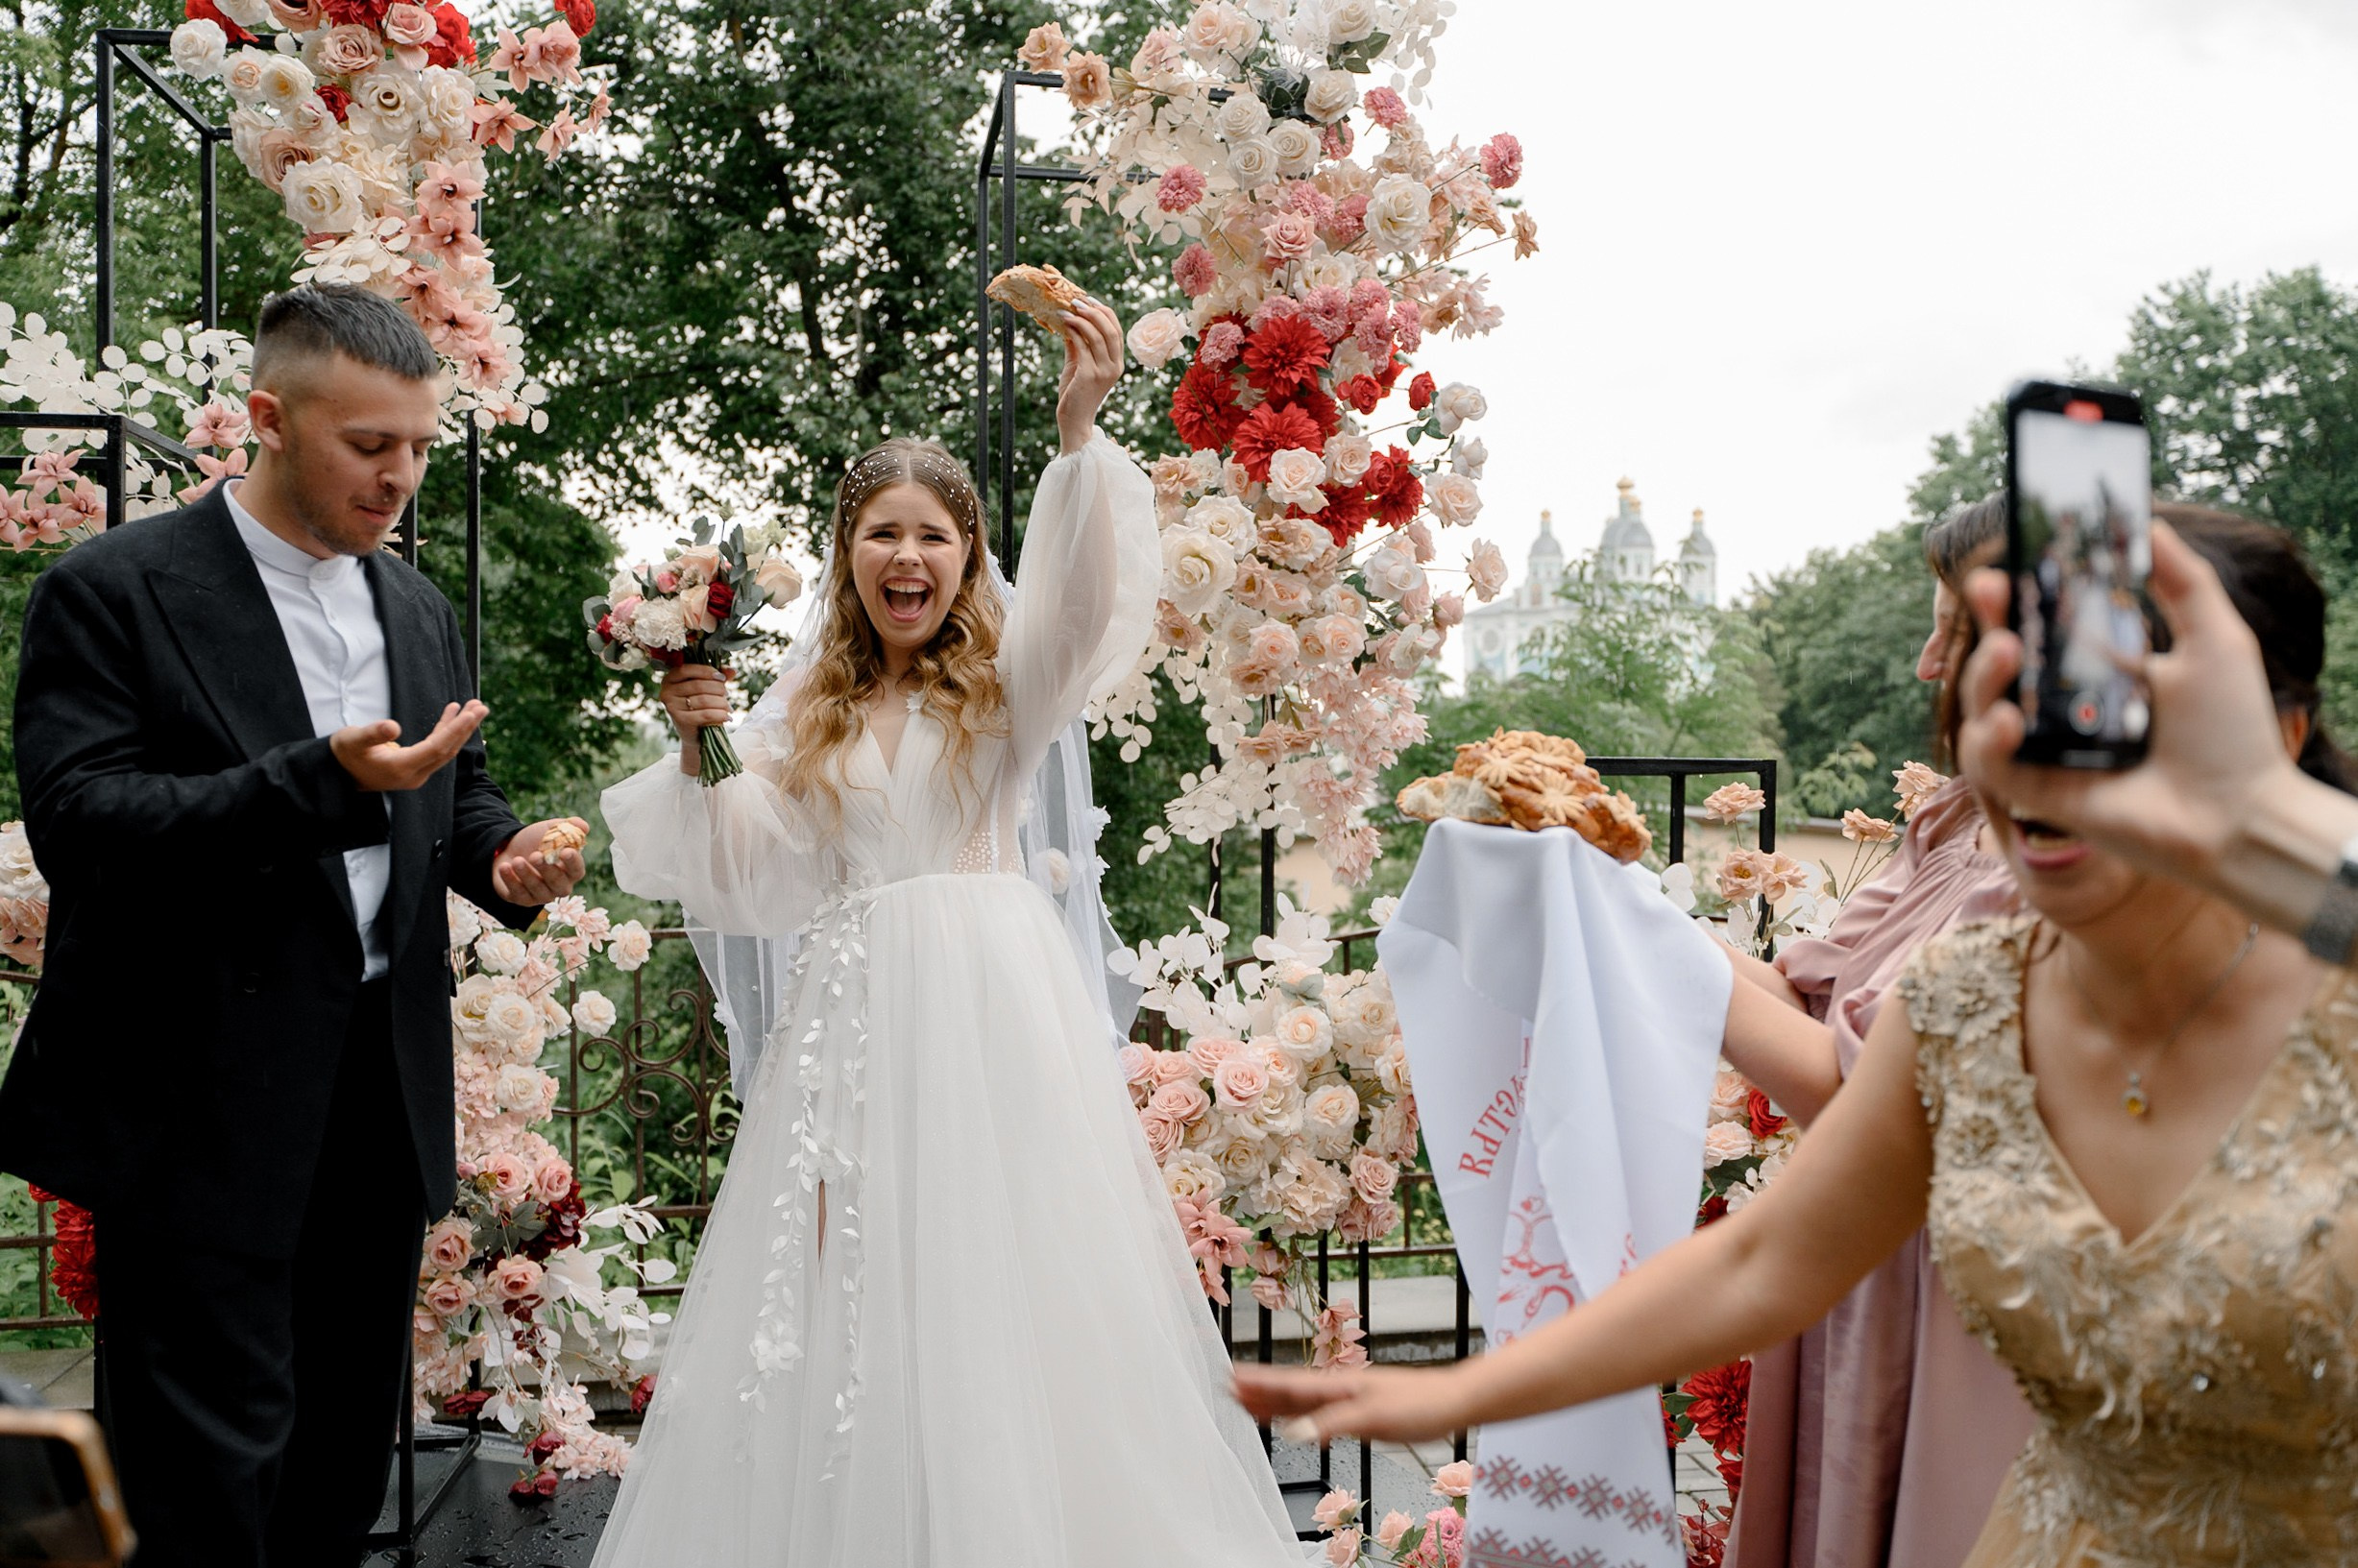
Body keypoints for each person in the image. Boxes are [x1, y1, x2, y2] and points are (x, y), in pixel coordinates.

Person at [1239, 510, 2358, 1566]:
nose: (2033, 788)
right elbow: (1761, 1259)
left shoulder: (2332, 987)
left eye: (2091, 735)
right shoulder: (1966, 1003)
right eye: (1995, 728)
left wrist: (2261, 813)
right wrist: (1459, 1395)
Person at [592, 302, 1305, 1565]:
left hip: (986, 1008)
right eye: (881, 533)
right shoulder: (804, 714)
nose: (906, 554)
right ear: (846, 556)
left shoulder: (1008, 689)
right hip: (852, 1019)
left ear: (968, 557)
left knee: (1003, 1277)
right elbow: (750, 868)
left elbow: (1085, 608)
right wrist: (699, 733)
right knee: (847, 1287)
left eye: (932, 533)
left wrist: (1078, 439)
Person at [0, 283, 587, 1567]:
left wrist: (504, 858)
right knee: (203, 1470)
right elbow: (83, 822)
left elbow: (454, 785)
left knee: (336, 1454)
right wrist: (315, 785)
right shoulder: (112, 589)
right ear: (267, 418)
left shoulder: (418, 608)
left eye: (421, 446)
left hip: (374, 1091)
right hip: (190, 1094)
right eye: (369, 444)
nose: (401, 476)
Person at [1719, 496, 2033, 1568]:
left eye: (1953, 628)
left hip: (1959, 1306)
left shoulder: (2060, 866)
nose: (1921, 662)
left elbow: (1865, 1100)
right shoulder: (1951, 820)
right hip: (1856, 1271)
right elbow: (1797, 995)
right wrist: (1594, 892)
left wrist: (1657, 959)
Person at [1961, 513, 2358, 964]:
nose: (2049, 763)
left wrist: (2259, 813)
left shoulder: (2342, 998)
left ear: (2285, 736)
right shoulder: (1942, 993)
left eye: (2125, 711)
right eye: (2020, 699)